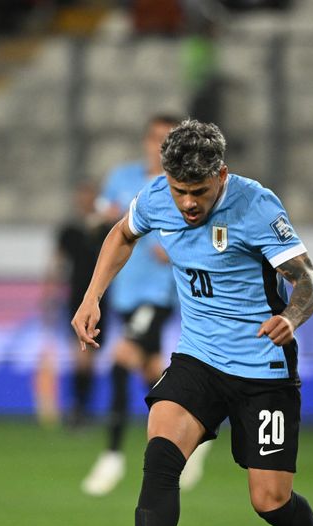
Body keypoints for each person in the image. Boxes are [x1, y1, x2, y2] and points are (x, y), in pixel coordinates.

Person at [72, 120, 313, 526]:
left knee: (270, 500)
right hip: (198, 358)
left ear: (221, 175)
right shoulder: (157, 195)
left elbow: (308, 281)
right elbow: (120, 234)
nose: (188, 204)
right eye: (180, 191)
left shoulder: (256, 207)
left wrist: (291, 317)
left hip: (263, 368)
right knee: (159, 457)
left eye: (199, 192)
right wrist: (91, 297)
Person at [81, 114, 212, 497]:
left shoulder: (182, 186)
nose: (159, 145)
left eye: (166, 138)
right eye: (154, 137)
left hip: (160, 293)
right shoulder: (123, 178)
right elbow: (102, 221)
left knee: (122, 361)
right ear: (145, 140)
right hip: (124, 292)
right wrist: (102, 218)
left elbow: (206, 237)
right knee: (153, 371)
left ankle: (112, 455)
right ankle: (199, 434)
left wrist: (176, 251)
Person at [50, 179, 113, 427]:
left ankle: (82, 408)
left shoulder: (107, 229)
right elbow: (57, 262)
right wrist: (51, 293)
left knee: (91, 354)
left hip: (102, 298)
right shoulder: (71, 230)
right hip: (77, 298)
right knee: (81, 354)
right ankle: (79, 408)